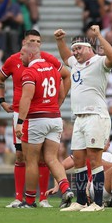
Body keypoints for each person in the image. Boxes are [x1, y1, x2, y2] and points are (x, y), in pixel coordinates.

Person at [0, 29, 71, 208]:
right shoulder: (16, 60)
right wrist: (2, 101)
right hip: (43, 116)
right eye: (33, 41)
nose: (37, 44)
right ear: (24, 43)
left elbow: (27, 97)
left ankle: (36, 199)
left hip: (32, 117)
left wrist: (55, 104)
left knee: (35, 159)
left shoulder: (39, 64)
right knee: (24, 156)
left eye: (39, 41)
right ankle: (22, 197)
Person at [55, 25, 112, 212]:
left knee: (94, 159)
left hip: (96, 115)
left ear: (89, 48)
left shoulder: (100, 61)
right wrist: (60, 41)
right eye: (74, 49)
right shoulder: (75, 63)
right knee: (78, 161)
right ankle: (81, 201)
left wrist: (99, 35)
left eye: (79, 48)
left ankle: (97, 203)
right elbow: (66, 56)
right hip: (79, 118)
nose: (75, 52)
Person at [15, 43, 74, 209]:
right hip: (55, 118)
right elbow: (62, 92)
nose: (20, 58)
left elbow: (26, 99)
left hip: (36, 120)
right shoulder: (53, 69)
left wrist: (19, 123)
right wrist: (54, 108)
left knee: (31, 160)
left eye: (22, 54)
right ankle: (66, 188)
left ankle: (30, 201)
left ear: (31, 55)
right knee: (51, 158)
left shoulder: (29, 72)